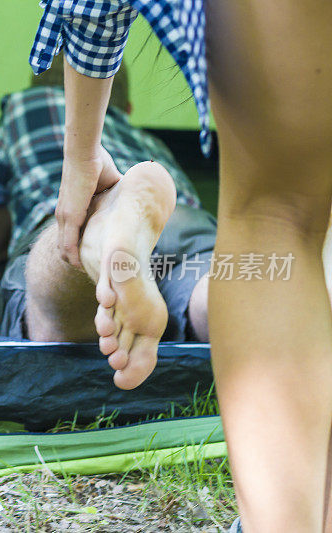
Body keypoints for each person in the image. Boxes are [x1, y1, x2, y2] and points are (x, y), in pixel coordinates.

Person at [29, 1, 332, 530]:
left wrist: (81, 160)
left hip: (90, 207)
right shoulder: (142, 132)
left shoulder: (24, 114)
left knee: (276, 221)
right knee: (237, 273)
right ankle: (141, 246)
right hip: (190, 228)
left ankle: (104, 228)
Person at [0, 59, 216, 389]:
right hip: (183, 218)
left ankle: (92, 232)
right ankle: (245, 305)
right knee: (209, 286)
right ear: (126, 107)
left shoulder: (24, 107)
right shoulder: (151, 143)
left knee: (58, 286)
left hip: (75, 205)